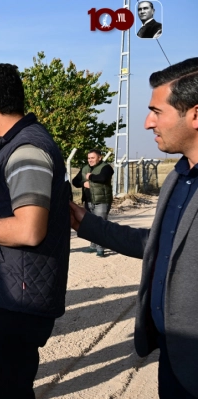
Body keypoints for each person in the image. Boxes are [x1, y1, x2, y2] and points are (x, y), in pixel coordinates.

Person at [69, 58, 198, 398]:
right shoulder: (179, 176)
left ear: (195, 115)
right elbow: (155, 244)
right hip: (173, 355)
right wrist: (82, 221)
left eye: (157, 111)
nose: (146, 123)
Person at [0, 63, 71, 399]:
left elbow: (29, 229)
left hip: (15, 303)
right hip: (6, 293)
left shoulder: (26, 150)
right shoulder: (12, 144)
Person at [71, 149, 114, 257]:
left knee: (100, 224)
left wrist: (90, 177)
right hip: (88, 201)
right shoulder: (85, 168)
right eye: (89, 158)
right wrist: (83, 183)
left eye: (92, 158)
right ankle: (93, 246)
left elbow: (103, 178)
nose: (90, 160)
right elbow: (75, 181)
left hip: (102, 201)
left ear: (100, 157)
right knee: (90, 224)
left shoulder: (106, 168)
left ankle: (100, 249)